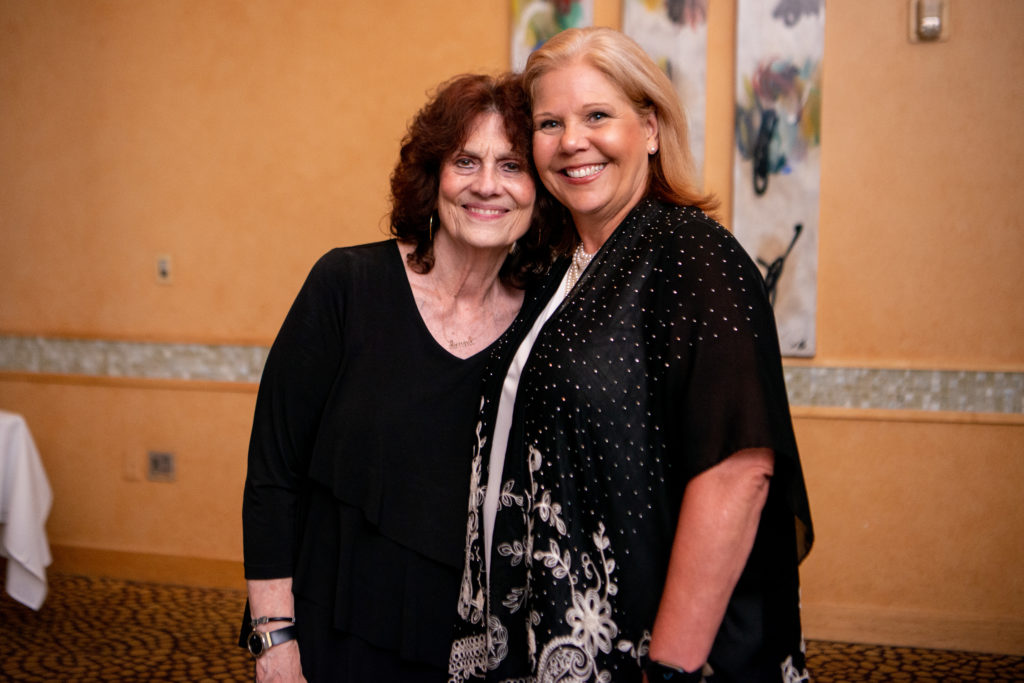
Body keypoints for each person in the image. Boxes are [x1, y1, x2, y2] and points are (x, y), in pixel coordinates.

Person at [448, 27, 813, 683]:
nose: (572, 142)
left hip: (659, 653)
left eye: (597, 116)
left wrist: (669, 663)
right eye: (550, 122)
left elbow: (738, 470)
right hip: (550, 633)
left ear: (648, 127)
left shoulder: (694, 256)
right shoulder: (553, 273)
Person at [240, 72, 559, 682]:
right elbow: (272, 475)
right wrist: (274, 642)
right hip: (333, 624)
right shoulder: (346, 286)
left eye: (513, 165)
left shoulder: (547, 322)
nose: (487, 185)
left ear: (539, 189)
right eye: (466, 161)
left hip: (468, 648)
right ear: (433, 176)